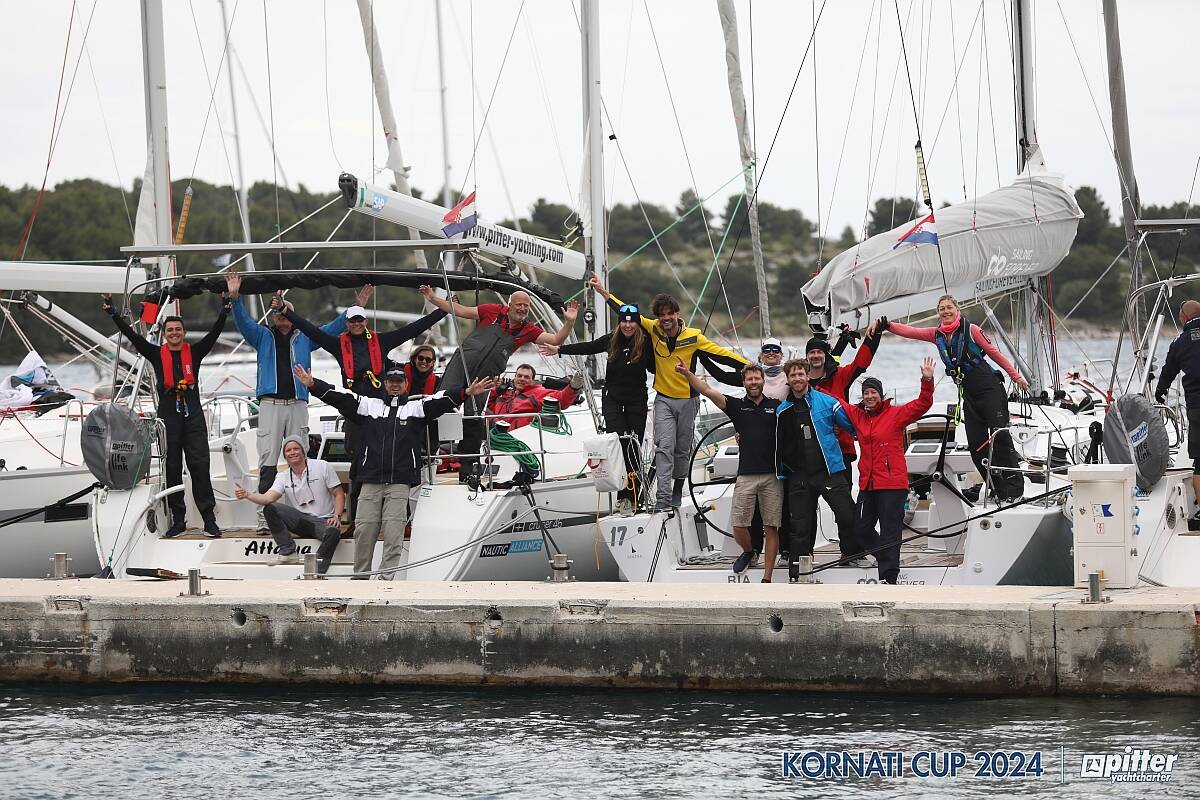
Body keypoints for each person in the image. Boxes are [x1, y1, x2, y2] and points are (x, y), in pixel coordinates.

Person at [297, 363, 495, 578]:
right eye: (391, 381)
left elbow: (441, 400)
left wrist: (465, 392)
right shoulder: (367, 406)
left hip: (400, 481)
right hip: (370, 479)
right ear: (385, 384)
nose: (395, 385)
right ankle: (360, 577)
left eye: (399, 381)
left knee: (394, 533)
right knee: (364, 531)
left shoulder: (416, 408)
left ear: (406, 385)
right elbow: (340, 396)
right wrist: (313, 385)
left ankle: (386, 580)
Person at [278, 288, 449, 515]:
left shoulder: (382, 341)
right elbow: (311, 331)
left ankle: (400, 514)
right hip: (355, 411)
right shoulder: (338, 345)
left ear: (365, 321)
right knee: (358, 464)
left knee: (391, 457)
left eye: (360, 320)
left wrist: (444, 311)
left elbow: (413, 329)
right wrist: (285, 311)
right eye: (352, 321)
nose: (356, 324)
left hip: (381, 411)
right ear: (347, 323)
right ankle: (357, 517)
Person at [588, 275, 750, 511]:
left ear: (677, 314)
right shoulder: (653, 329)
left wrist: (749, 367)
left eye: (669, 314)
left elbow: (721, 354)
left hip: (688, 400)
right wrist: (603, 292)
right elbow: (624, 310)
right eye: (661, 315)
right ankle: (662, 499)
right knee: (663, 447)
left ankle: (676, 489)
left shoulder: (694, 337)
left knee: (681, 449)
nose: (665, 319)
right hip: (663, 399)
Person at [226, 271, 360, 532]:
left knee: (301, 457)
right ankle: (267, 519)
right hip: (270, 405)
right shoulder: (263, 336)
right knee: (267, 459)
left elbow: (332, 329)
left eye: (285, 312)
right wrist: (235, 298)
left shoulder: (305, 337)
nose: (280, 317)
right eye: (276, 313)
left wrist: (355, 308)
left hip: (297, 403)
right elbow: (243, 322)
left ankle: (307, 514)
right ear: (273, 317)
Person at [417, 285, 579, 480]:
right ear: (509, 305)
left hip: (486, 377)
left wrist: (569, 322)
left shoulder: (528, 330)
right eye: (519, 305)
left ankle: (467, 469)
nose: (522, 309)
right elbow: (460, 310)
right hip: (461, 365)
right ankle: (424, 456)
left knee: (474, 419)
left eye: (526, 306)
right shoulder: (491, 310)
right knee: (440, 406)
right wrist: (433, 298)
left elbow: (555, 338)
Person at [102, 293, 229, 538]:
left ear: (183, 332)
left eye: (178, 330)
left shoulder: (195, 352)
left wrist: (224, 311)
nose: (174, 333)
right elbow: (133, 337)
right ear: (164, 334)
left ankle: (209, 519)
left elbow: (214, 334)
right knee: (171, 467)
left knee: (200, 466)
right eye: (170, 330)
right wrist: (113, 313)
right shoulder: (155, 353)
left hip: (193, 417)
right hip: (168, 416)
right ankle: (178, 520)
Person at [880, 295, 1030, 502]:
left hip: (990, 390)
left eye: (949, 307)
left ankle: (1014, 490)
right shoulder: (936, 334)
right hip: (969, 396)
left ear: (957, 309)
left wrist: (1016, 376)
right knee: (977, 446)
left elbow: (995, 353)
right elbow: (911, 332)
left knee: (1000, 438)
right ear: (938, 312)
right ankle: (997, 488)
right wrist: (886, 325)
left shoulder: (972, 330)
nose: (945, 311)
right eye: (941, 308)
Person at [540, 302, 655, 515]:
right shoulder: (612, 340)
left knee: (633, 446)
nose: (628, 326)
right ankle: (623, 496)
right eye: (624, 321)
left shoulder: (646, 343)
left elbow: (657, 367)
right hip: (612, 399)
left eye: (631, 322)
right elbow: (588, 347)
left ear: (638, 323)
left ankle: (634, 495)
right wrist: (559, 349)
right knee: (618, 443)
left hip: (636, 400)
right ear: (619, 322)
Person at [677, 360, 783, 582]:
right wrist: (688, 374)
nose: (754, 382)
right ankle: (749, 551)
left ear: (763, 381)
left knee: (771, 526)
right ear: (744, 382)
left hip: (772, 476)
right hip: (746, 475)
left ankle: (767, 578)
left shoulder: (776, 406)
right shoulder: (736, 406)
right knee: (738, 525)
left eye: (757, 378)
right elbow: (707, 390)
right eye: (749, 379)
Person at [839, 360, 935, 584]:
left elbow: (923, 404)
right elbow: (836, 402)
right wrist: (810, 386)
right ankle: (887, 556)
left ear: (880, 395)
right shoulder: (858, 415)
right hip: (868, 484)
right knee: (861, 530)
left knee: (890, 532)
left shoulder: (896, 414)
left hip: (892, 485)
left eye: (873, 392)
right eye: (866, 393)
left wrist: (927, 380)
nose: (869, 396)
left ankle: (888, 579)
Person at [775, 359, 859, 580]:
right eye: (792, 375)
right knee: (800, 525)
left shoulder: (827, 402)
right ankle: (799, 570)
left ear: (808, 376)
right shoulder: (782, 410)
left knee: (847, 514)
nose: (797, 379)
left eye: (800, 374)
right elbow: (776, 443)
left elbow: (854, 428)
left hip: (828, 470)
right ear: (788, 380)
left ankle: (851, 554)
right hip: (798, 476)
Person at [233, 435, 345, 574]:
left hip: (322, 522)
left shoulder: (322, 466)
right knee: (270, 508)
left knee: (333, 532)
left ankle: (316, 570)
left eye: (296, 449)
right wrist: (248, 495)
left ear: (303, 451)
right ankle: (288, 551)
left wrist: (337, 516)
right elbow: (268, 498)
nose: (293, 452)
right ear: (285, 456)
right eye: (288, 450)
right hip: (300, 521)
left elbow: (339, 493)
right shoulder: (283, 476)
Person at [1153, 299, 1200, 514]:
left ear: (1185, 317)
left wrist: (1160, 391)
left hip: (1196, 407)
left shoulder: (1180, 343)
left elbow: (1169, 370)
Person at [488, 364, 583, 430]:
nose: (521, 379)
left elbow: (561, 399)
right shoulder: (506, 393)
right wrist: (496, 390)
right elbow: (486, 404)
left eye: (526, 377)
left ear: (533, 381)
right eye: (519, 376)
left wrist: (573, 387)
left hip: (514, 434)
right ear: (514, 378)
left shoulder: (538, 393)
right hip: (494, 430)